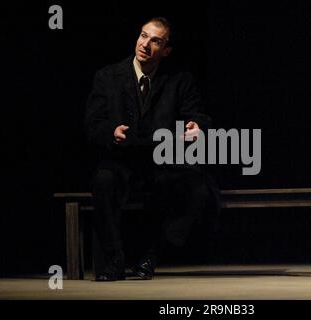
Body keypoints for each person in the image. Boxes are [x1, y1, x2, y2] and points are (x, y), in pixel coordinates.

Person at [84, 17, 219, 281]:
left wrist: (196, 126)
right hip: (121, 159)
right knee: (103, 180)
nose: (145, 44)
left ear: (166, 50)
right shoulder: (108, 76)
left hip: (160, 161)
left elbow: (198, 116)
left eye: (155, 40)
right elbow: (92, 123)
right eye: (143, 35)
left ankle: (151, 255)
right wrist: (110, 133)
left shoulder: (179, 80)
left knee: (198, 187)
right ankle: (113, 260)